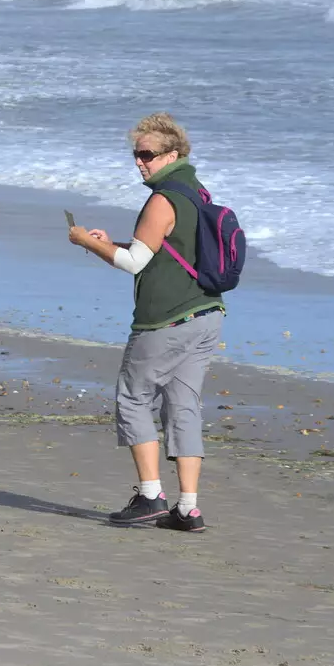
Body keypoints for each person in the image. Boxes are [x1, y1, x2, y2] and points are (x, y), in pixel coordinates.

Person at [68, 113, 225, 532]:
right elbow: (162, 252)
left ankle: (151, 496)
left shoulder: (162, 199)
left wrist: (86, 241)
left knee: (134, 399)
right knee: (184, 405)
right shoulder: (197, 191)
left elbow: (135, 262)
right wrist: (107, 245)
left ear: (172, 154)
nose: (140, 162)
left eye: (147, 155)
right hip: (207, 313)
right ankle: (188, 508)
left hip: (165, 320)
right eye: (136, 154)